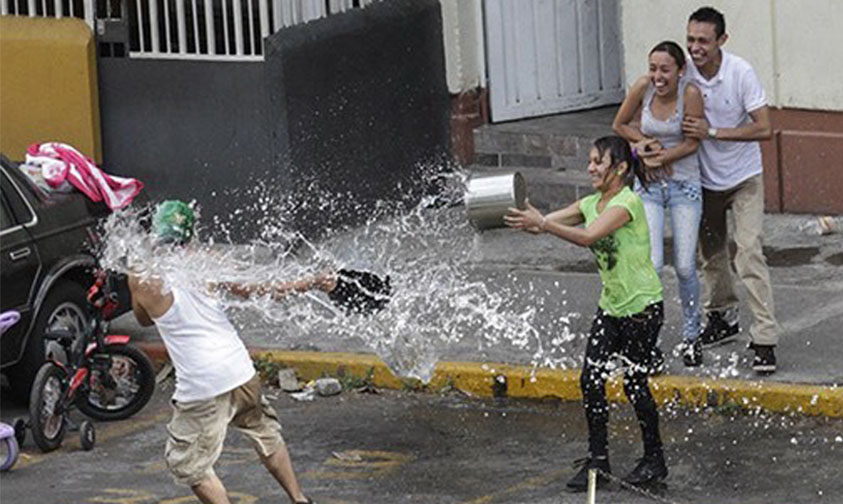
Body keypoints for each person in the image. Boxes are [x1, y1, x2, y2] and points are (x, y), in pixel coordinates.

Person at [128, 200, 328, 504]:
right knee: (265, 433)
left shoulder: (142, 278)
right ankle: (299, 499)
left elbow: (142, 318)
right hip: (240, 371)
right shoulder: (209, 261)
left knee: (190, 466)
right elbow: (264, 287)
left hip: (203, 387)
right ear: (191, 235)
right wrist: (312, 282)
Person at [505, 136, 668, 491]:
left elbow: (587, 237)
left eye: (598, 161)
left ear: (621, 168)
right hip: (611, 306)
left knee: (634, 383)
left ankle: (654, 460)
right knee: (589, 380)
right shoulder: (591, 202)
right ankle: (598, 461)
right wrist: (525, 214)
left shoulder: (627, 204)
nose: (591, 167)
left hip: (642, 308)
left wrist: (544, 224)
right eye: (590, 161)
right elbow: (543, 222)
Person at [681, 6, 779, 373]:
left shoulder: (740, 72)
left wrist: (714, 132)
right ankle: (721, 318)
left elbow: (764, 127)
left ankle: (765, 339)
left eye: (703, 40)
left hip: (744, 179)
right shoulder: (684, 71)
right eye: (691, 39)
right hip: (703, 180)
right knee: (711, 256)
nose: (695, 47)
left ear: (722, 40)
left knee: (749, 252)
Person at [613, 40, 705, 367]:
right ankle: (647, 341)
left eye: (665, 70)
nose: (657, 76)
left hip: (684, 186)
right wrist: (644, 144)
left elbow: (694, 141)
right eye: (653, 68)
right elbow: (620, 125)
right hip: (649, 186)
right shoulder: (643, 87)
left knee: (684, 266)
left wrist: (665, 156)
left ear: (680, 71)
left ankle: (692, 336)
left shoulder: (689, 94)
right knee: (650, 266)